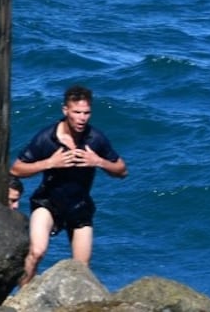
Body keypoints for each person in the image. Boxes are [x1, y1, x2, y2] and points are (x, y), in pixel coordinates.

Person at [10, 85, 127, 286]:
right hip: (47, 203)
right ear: (65, 111)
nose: (82, 118)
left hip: (79, 206)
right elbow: (17, 169)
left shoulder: (95, 139)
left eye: (86, 113)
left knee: (82, 268)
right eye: (77, 112)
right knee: (37, 251)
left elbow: (122, 170)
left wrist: (98, 161)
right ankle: (21, 298)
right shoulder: (47, 138)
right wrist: (50, 163)